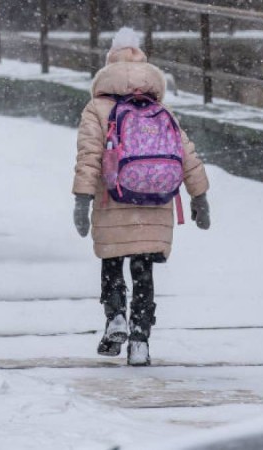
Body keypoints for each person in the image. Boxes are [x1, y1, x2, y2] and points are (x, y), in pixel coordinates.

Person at [72, 27, 211, 366]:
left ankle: (116, 315)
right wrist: (200, 196)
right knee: (143, 268)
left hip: (112, 201)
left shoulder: (97, 108)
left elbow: (89, 155)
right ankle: (140, 341)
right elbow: (186, 153)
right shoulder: (160, 108)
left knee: (113, 262)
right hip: (155, 200)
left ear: (109, 66)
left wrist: (82, 198)